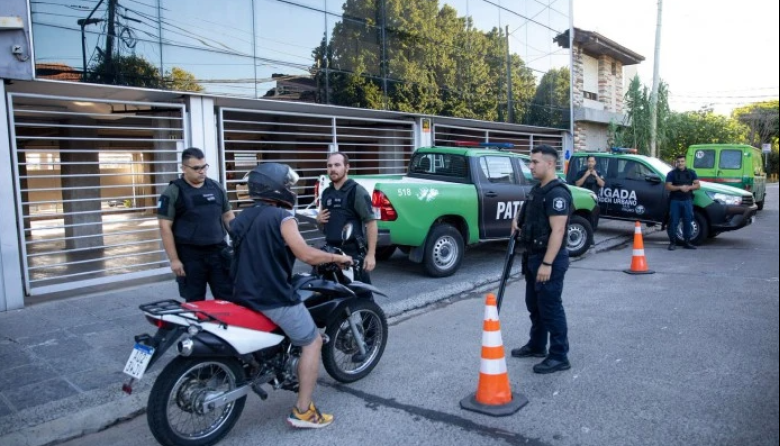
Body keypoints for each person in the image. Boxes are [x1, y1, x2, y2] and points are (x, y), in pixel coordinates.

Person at [230, 163, 352, 429]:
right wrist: (336, 257)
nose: (291, 189)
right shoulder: (282, 218)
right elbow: (306, 254)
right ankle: (304, 410)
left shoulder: (241, 218)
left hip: (242, 295)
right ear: (276, 187)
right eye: (288, 184)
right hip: (272, 296)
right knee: (312, 342)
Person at [510, 145, 572, 374]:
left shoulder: (557, 193)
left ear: (549, 164)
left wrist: (547, 263)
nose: (531, 166)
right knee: (534, 306)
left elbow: (558, 231)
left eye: (535, 162)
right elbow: (526, 212)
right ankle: (537, 345)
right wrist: (517, 221)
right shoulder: (538, 189)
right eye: (530, 162)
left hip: (549, 260)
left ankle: (559, 356)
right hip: (532, 257)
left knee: (550, 308)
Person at [158, 147, 234, 302]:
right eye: (196, 168)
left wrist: (240, 240)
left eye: (204, 167)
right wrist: (174, 260)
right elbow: (164, 227)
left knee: (228, 297)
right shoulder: (172, 192)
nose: (202, 171)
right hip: (190, 255)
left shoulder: (216, 187)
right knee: (194, 301)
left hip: (218, 252)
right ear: (184, 168)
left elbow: (228, 216)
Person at [316, 152, 377, 283]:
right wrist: (319, 221)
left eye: (337, 165)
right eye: (329, 166)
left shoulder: (356, 191)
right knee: (331, 297)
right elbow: (323, 227)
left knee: (362, 298)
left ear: (347, 167)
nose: (332, 169)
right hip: (330, 253)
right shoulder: (326, 193)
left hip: (352, 254)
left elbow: (371, 223)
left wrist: (371, 255)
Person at [665, 154, 700, 250]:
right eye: (678, 161)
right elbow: (668, 186)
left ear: (685, 162)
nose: (680, 163)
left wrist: (689, 187)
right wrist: (680, 187)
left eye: (682, 161)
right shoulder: (671, 174)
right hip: (675, 201)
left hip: (687, 201)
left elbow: (698, 185)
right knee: (673, 222)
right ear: (676, 163)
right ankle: (672, 243)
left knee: (688, 221)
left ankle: (687, 242)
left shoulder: (691, 173)